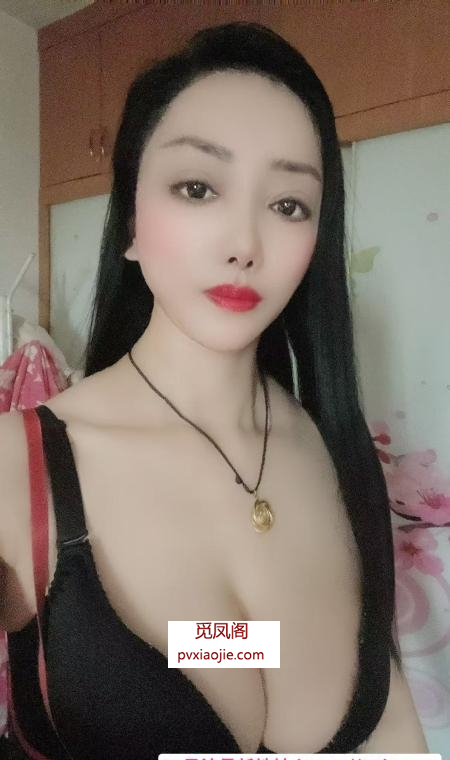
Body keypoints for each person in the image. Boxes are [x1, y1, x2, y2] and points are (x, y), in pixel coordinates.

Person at [0, 21, 429, 759]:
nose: (244, 244)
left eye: (289, 205)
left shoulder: (335, 449)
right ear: (130, 222)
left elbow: (258, 653)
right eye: (197, 188)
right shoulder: (18, 467)